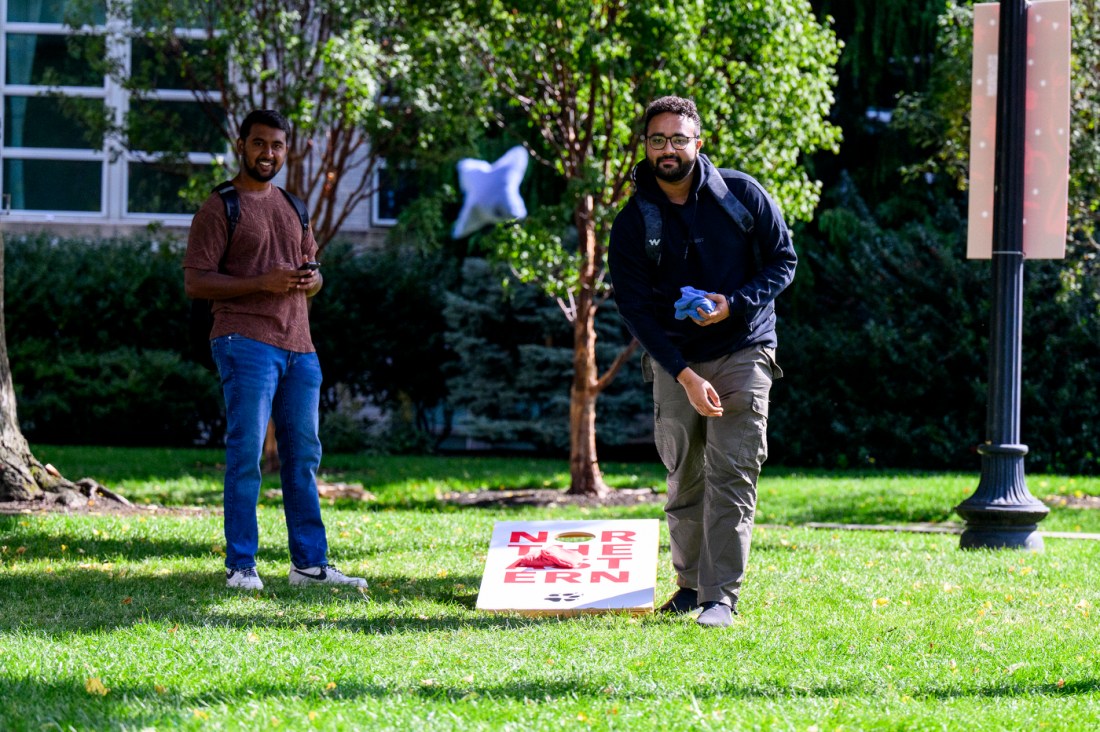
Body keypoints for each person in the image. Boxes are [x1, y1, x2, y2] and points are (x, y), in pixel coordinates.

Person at [608, 96, 796, 627]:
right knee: (684, 478)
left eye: (678, 139)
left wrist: (734, 303)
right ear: (646, 146)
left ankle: (721, 599)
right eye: (657, 140)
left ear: (698, 142)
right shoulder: (633, 221)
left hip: (744, 349)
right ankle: (689, 588)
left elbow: (785, 261)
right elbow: (635, 310)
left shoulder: (741, 194)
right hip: (675, 362)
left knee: (732, 473)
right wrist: (684, 375)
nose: (667, 149)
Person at [184, 109, 366, 591]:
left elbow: (314, 275)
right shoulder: (219, 206)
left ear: (287, 150)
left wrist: (313, 279)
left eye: (277, 146)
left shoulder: (293, 206)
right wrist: (263, 282)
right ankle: (241, 566)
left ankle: (309, 565)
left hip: (299, 347)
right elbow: (196, 281)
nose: (269, 153)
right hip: (243, 341)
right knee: (245, 454)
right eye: (260, 144)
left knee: (303, 456)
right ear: (241, 145)